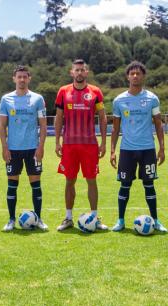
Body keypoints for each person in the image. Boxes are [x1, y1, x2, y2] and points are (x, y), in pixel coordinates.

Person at [110, 61, 167, 232]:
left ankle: (155, 220)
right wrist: (112, 151)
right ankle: (120, 221)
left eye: (138, 73)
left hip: (147, 149)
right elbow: (115, 128)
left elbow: (158, 124)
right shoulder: (119, 100)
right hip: (127, 150)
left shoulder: (152, 98)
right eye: (132, 73)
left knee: (149, 184)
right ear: (127, 76)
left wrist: (162, 148)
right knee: (125, 184)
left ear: (143, 76)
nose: (135, 76)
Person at [55, 59, 108, 231]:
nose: (79, 73)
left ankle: (94, 217)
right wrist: (57, 142)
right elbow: (58, 118)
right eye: (76, 70)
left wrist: (103, 142)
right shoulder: (63, 91)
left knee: (91, 180)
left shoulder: (95, 92)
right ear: (72, 72)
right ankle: (68, 218)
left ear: (87, 72)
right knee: (69, 181)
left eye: (82, 70)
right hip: (69, 145)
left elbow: (102, 116)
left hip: (90, 145)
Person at [0, 65, 48, 231]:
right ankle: (11, 220)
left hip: (32, 149)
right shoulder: (6, 99)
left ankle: (39, 218)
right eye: (18, 77)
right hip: (13, 149)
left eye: (24, 77)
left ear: (29, 78)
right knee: (12, 184)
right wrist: (5, 148)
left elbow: (43, 125)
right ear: (14, 79)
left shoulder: (37, 99)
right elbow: (2, 126)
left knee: (36, 184)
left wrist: (40, 147)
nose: (21, 79)